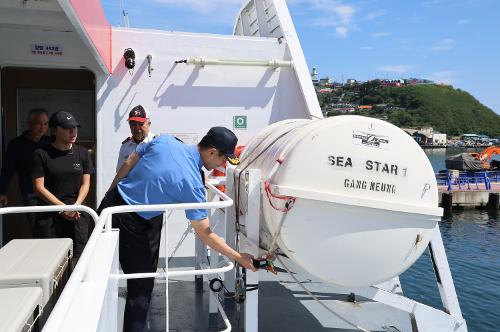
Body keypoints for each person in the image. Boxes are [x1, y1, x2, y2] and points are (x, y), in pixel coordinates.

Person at [98, 126, 256, 332]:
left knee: (96, 270)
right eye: (223, 159)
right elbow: (205, 235)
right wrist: (238, 257)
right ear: (211, 152)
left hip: (111, 203)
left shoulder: (166, 141)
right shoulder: (192, 184)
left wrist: (110, 194)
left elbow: (129, 161)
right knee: (140, 289)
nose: (223, 164)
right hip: (133, 224)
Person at [32, 111, 94, 258]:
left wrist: (76, 206)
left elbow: (85, 184)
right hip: (50, 216)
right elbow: (39, 187)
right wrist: (63, 209)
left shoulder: (83, 153)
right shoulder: (41, 154)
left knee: (79, 259)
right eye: (67, 128)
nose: (73, 132)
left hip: (77, 213)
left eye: (75, 127)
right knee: (51, 260)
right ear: (54, 130)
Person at [0, 108, 51, 232]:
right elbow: (8, 169)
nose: (43, 127)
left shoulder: (51, 142)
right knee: (37, 229)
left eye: (46, 124)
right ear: (29, 124)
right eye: (39, 123)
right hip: (31, 193)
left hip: (52, 193)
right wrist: (2, 192)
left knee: (53, 229)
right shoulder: (16, 144)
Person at [116, 105, 158, 172]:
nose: (137, 128)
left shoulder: (157, 144)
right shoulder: (125, 146)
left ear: (149, 124)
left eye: (141, 124)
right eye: (133, 124)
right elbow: (120, 173)